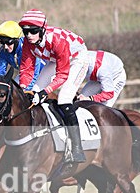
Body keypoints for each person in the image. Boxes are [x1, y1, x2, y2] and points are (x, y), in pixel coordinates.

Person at [18, 9, 89, 163]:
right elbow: (26, 68)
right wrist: (23, 89)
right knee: (33, 92)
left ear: (42, 30)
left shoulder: (57, 40)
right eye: (25, 32)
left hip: (77, 59)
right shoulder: (28, 43)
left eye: (33, 31)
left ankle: (77, 148)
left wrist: (47, 91)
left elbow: (62, 74)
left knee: (64, 98)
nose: (29, 35)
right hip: (55, 59)